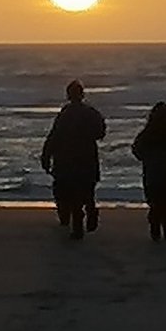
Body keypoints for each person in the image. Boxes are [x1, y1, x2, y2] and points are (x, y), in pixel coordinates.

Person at [40, 80, 106, 240]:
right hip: (87, 158)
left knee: (69, 193)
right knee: (86, 191)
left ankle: (77, 226)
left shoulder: (65, 114)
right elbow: (100, 133)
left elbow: (54, 136)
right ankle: (90, 210)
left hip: (67, 160)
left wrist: (46, 156)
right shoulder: (91, 113)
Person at [131, 102, 166, 241]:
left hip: (152, 170)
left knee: (154, 200)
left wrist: (146, 158)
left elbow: (137, 149)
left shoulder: (148, 132)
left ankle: (155, 230)